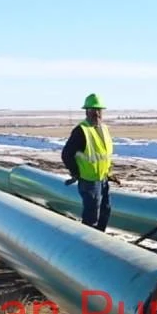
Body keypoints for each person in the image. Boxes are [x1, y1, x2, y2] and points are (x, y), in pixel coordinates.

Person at [60, 93, 119, 231]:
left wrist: (109, 172)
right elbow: (66, 155)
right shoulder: (81, 131)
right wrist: (76, 172)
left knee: (105, 210)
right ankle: (88, 243)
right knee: (91, 216)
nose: (96, 113)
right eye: (93, 110)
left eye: (99, 110)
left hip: (103, 179)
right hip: (89, 181)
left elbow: (104, 155)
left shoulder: (103, 129)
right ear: (87, 111)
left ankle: (100, 238)